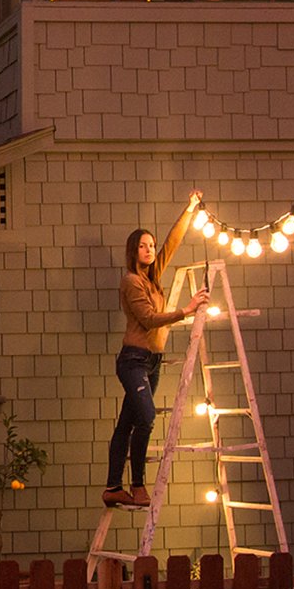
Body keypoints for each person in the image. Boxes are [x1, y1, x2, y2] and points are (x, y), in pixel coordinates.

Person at [105, 192, 207, 509]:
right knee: (146, 418)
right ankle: (137, 486)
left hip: (153, 362)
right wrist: (185, 311)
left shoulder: (153, 279)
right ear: (133, 251)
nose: (149, 249)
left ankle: (112, 488)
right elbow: (148, 320)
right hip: (133, 361)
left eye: (151, 244)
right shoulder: (132, 282)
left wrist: (189, 209)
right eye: (143, 245)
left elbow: (171, 245)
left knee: (127, 423)